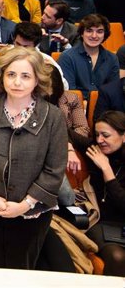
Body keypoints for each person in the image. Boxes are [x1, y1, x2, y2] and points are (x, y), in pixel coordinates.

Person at [0, 46, 67, 269]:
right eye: (11, 74)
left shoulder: (53, 117)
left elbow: (54, 169)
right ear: (1, 76)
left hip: (32, 213)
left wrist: (24, 205)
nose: (17, 82)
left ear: (37, 79)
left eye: (25, 76)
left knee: (21, 269)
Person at [73, 111, 125, 276]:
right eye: (97, 134)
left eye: (106, 135)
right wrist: (69, 150)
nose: (99, 140)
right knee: (117, 257)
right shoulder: (95, 150)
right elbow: (63, 130)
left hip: (122, 223)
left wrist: (107, 170)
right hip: (100, 223)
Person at [58, 13, 119, 101]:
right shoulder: (67, 57)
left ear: (104, 35)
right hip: (75, 107)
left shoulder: (112, 58)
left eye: (99, 31)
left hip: (103, 108)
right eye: (89, 31)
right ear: (82, 33)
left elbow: (113, 91)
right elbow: (69, 92)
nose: (94, 36)